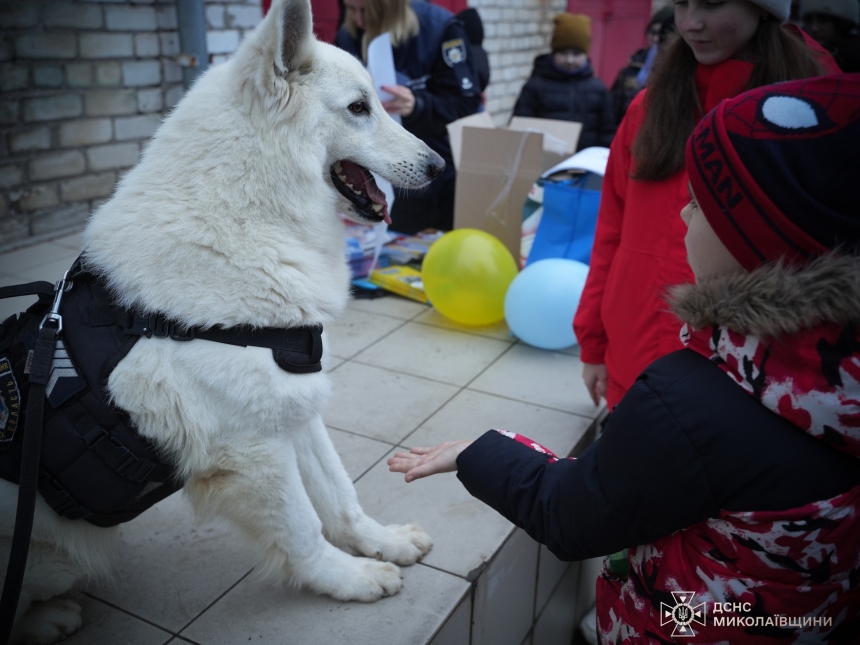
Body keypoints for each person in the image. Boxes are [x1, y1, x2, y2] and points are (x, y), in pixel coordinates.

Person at [389, 74, 860, 644]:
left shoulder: (695, 403)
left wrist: (480, 450)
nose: (683, 215)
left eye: (699, 202)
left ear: (754, 238)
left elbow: (572, 513)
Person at [572, 0, 840, 411]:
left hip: (749, 373)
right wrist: (593, 341)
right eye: (681, 3)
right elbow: (610, 230)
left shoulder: (815, 115)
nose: (690, 23)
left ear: (764, 9)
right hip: (633, 346)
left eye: (712, 4)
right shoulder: (649, 106)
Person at [335, 0, 482, 235]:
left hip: (441, 172)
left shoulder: (441, 28)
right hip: (384, 176)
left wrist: (418, 105)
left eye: (366, 11)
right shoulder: (349, 35)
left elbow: (467, 103)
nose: (359, 20)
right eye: (351, 10)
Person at [512, 13, 616, 150]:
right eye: (563, 53)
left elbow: (608, 132)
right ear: (553, 52)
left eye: (576, 54)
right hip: (544, 161)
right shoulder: (535, 86)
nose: (569, 60)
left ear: (586, 54)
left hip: (585, 162)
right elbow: (521, 127)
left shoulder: (598, 89)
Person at [609, 6, 676, 126]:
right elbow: (612, 113)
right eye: (653, 32)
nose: (656, 39)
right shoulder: (629, 72)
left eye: (663, 34)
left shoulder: (681, 72)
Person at [800, 0, 860, 71]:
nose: (814, 28)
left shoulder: (855, 57)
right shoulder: (800, 55)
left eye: (824, 20)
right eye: (809, 20)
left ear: (841, 24)